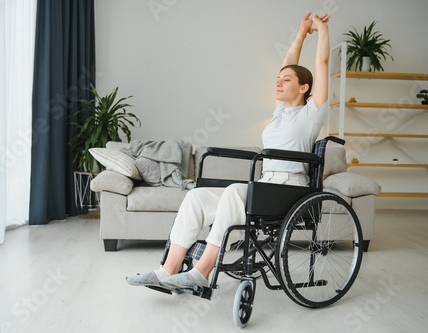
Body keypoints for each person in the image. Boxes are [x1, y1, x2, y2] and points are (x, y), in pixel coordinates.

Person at [126, 12, 330, 291]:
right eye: (278, 79)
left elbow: (322, 63)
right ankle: (167, 271)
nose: (278, 82)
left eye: (287, 80)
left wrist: (320, 29)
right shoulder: (280, 113)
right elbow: (288, 63)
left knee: (236, 191)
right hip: (267, 187)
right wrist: (301, 34)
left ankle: (201, 272)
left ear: (304, 87)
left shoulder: (311, 114)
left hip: (290, 191)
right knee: (196, 197)